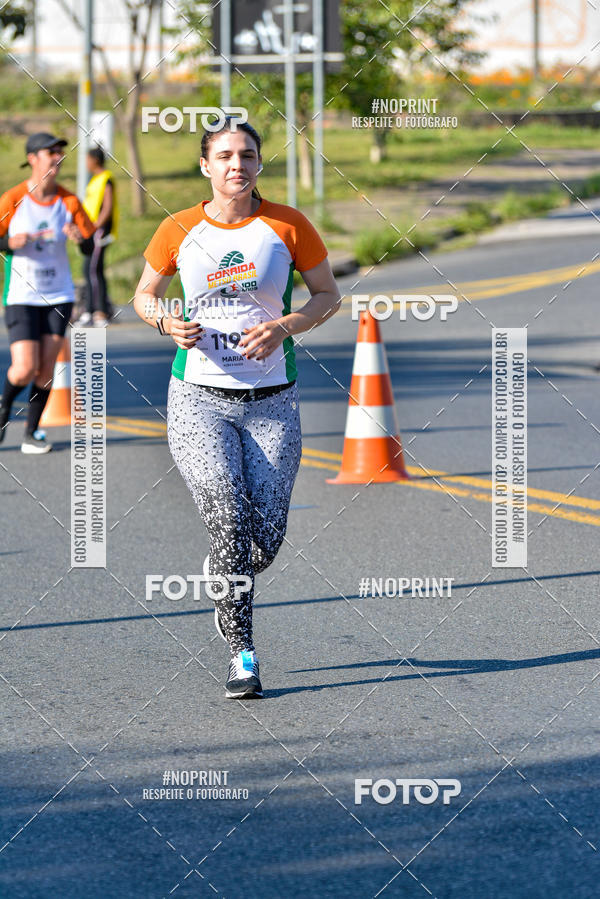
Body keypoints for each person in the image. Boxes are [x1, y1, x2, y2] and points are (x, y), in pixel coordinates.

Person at [133, 117, 341, 699]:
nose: (236, 165)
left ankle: (228, 576)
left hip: (273, 399)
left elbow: (328, 294)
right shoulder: (179, 229)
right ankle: (242, 654)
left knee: (263, 542)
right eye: (223, 156)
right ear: (206, 166)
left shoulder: (288, 225)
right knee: (229, 520)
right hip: (198, 400)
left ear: (257, 163)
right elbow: (143, 295)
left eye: (246, 155)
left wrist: (285, 326)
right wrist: (165, 321)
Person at [0, 132, 96, 454]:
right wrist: (8, 244)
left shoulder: (68, 201)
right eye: (50, 152)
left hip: (58, 294)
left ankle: (31, 433)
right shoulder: (13, 199)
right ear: (32, 158)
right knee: (24, 367)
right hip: (21, 296)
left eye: (59, 152)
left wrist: (78, 238)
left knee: (45, 369)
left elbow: (90, 244)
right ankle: (3, 414)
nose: (57, 157)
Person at [79, 145, 118, 327]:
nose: (86, 163)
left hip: (99, 232)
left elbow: (107, 207)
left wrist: (95, 227)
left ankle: (98, 312)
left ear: (95, 160)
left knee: (93, 271)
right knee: (91, 270)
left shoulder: (106, 179)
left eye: (87, 159)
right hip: (91, 231)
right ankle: (91, 310)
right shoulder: (95, 180)